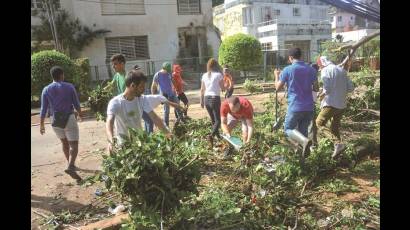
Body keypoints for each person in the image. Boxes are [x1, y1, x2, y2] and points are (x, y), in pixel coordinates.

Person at [106, 70, 171, 154]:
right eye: (141, 87)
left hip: (139, 143)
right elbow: (109, 122)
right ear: (132, 85)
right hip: (123, 145)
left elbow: (154, 117)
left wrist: (167, 133)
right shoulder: (115, 102)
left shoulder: (142, 99)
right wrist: (111, 141)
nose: (144, 89)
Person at [274, 48, 319, 160]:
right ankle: (302, 159)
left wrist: (276, 75)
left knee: (288, 128)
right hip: (309, 107)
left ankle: (304, 142)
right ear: (301, 56)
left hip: (295, 106)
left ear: (290, 58)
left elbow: (277, 88)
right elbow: (316, 88)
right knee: (302, 132)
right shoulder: (311, 70)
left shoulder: (288, 70)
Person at [40, 66, 82, 179]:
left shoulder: (46, 89)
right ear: (62, 75)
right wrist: (80, 114)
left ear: (52, 76)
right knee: (74, 144)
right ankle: (71, 166)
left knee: (64, 143)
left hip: (54, 120)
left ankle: (69, 163)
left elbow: (43, 109)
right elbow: (76, 103)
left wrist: (42, 124)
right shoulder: (69, 86)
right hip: (69, 117)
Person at [316, 56, 354, 159]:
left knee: (319, 123)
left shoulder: (325, 70)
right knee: (334, 128)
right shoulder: (341, 70)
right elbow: (351, 88)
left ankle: (338, 144)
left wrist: (320, 94)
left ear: (322, 63)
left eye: (319, 65)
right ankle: (340, 154)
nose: (319, 67)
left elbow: (327, 89)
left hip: (331, 104)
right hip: (342, 104)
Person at [200, 58, 225, 148]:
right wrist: (225, 87)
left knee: (213, 120)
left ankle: (218, 136)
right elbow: (223, 87)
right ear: (216, 66)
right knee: (218, 120)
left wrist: (201, 101)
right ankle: (211, 136)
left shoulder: (204, 75)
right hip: (215, 98)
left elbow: (202, 89)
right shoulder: (218, 75)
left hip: (206, 99)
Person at [151, 62, 183, 126]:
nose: (168, 72)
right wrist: (153, 96)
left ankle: (182, 120)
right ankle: (166, 125)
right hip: (164, 95)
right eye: (167, 70)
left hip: (172, 93)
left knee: (178, 106)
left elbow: (172, 81)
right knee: (166, 111)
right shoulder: (157, 75)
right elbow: (153, 86)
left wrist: (175, 89)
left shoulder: (169, 73)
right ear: (164, 68)